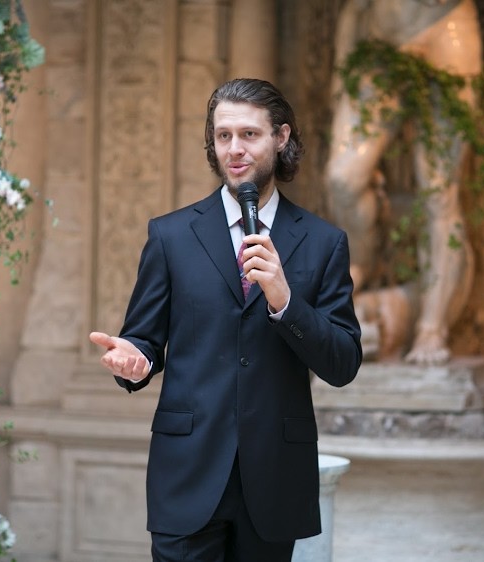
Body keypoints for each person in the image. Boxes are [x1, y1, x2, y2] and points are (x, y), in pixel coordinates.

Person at [89, 78, 362, 562]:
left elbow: (342, 364)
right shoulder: (171, 236)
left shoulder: (324, 243)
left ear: (281, 137)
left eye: (249, 135)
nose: (234, 149)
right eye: (223, 136)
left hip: (275, 477)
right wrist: (136, 360)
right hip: (187, 472)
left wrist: (285, 301)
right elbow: (143, 339)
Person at [325, 0, 481, 364]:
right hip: (380, 34)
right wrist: (342, 64)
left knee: (439, 191)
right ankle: (361, 262)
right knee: (343, 179)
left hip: (444, 29)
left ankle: (432, 327)